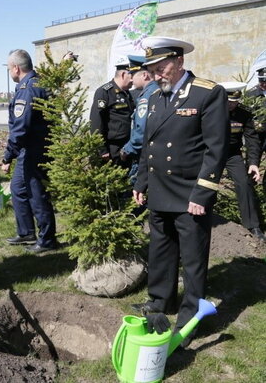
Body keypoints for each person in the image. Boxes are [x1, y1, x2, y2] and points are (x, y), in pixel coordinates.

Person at [132, 37, 230, 347]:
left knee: (192, 260)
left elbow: (217, 149)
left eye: (162, 68)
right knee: (160, 250)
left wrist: (202, 194)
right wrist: (141, 183)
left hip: (190, 194)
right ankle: (160, 300)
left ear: (180, 63)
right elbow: (150, 144)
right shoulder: (158, 96)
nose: (158, 75)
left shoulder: (207, 93)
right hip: (160, 189)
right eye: (153, 70)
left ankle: (191, 317)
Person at [1, 49, 57, 253]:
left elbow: (21, 127)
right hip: (30, 149)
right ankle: (26, 232)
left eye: (9, 68)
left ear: (16, 68)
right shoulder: (35, 84)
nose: (10, 72)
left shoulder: (28, 88)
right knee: (17, 189)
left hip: (34, 149)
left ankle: (47, 239)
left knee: (36, 193)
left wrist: (8, 155)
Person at [219, 82, 265, 241]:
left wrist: (253, 163)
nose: (232, 105)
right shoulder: (211, 111)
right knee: (204, 183)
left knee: (244, 183)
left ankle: (253, 226)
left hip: (232, 154)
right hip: (211, 153)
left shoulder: (244, 114)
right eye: (229, 102)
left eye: (235, 102)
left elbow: (252, 140)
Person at [120, 55, 160, 184]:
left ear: (144, 75)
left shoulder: (147, 95)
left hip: (143, 155)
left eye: (133, 75)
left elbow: (142, 129)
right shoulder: (157, 90)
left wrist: (127, 149)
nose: (131, 79)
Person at [90, 56, 135, 168]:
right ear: (124, 75)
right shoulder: (104, 92)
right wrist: (101, 149)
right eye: (132, 76)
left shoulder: (126, 93)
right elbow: (96, 122)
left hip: (125, 146)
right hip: (111, 148)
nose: (133, 80)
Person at [246, 66, 266, 191]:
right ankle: (252, 194)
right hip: (256, 137)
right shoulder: (251, 94)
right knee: (252, 166)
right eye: (261, 81)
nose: (263, 84)